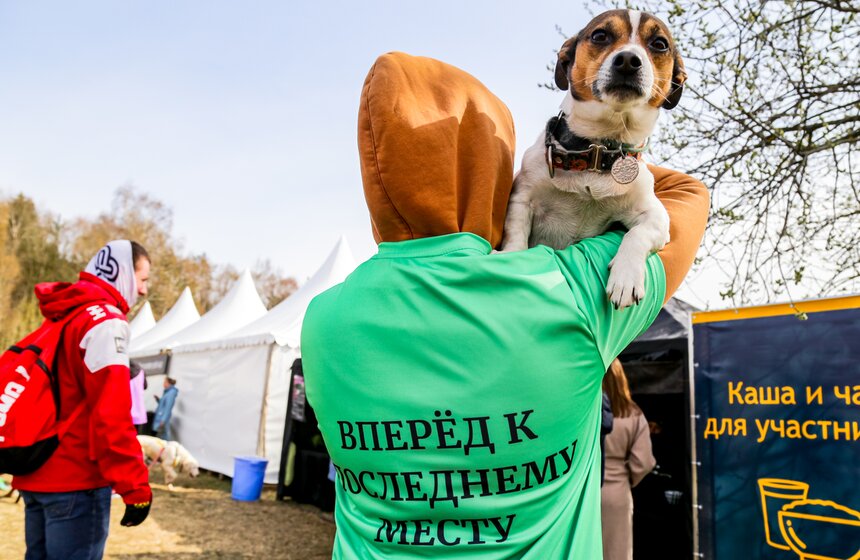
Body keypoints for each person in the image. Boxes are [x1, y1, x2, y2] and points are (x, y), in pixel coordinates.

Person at [301, 52, 709, 558]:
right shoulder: (569, 291)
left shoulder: (321, 319)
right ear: (491, 169)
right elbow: (685, 194)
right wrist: (590, 151)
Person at [13, 240, 154, 560]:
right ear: (122, 276)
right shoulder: (106, 322)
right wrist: (135, 487)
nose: (143, 291)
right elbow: (111, 414)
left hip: (36, 476)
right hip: (75, 481)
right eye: (142, 280)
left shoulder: (62, 317)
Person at [601, 359, 656, 560]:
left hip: (586, 492)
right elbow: (644, 462)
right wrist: (627, 477)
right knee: (617, 552)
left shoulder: (588, 410)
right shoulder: (633, 413)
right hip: (617, 494)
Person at [129, 360, 148, 435]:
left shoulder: (124, 370)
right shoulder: (142, 371)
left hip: (127, 410)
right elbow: (145, 386)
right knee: (135, 437)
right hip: (139, 410)